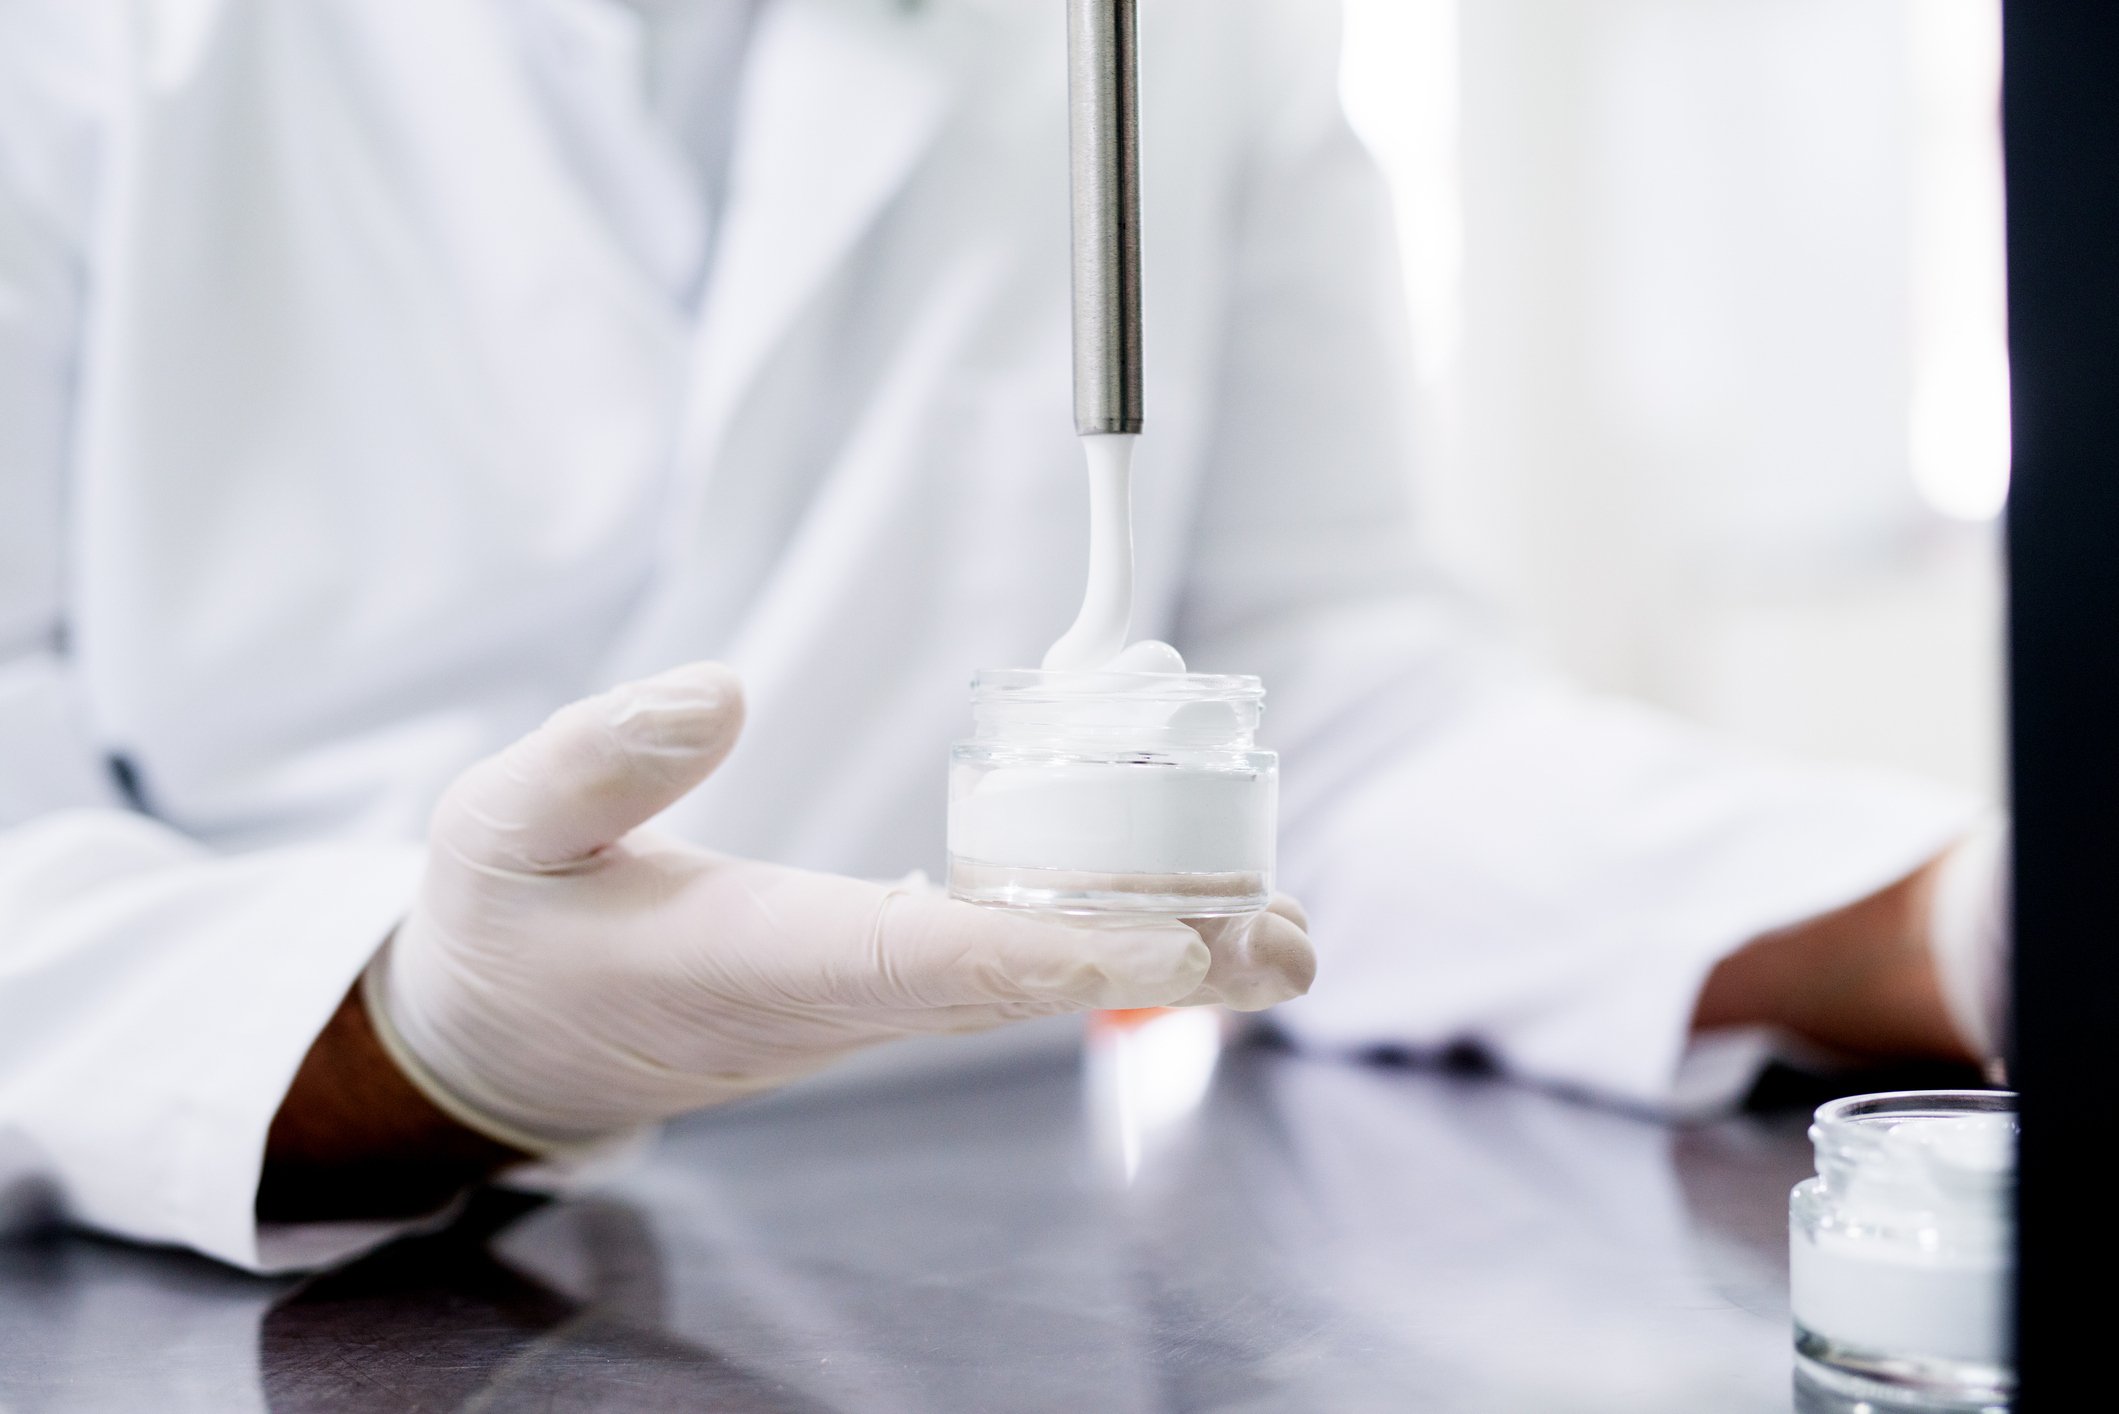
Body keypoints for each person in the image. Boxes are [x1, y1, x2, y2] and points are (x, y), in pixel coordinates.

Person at [0, 0, 2004, 1272]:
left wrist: (1949, 916)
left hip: (986, 1259)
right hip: (251, 1250)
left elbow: (1332, 704)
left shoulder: (1173, 32)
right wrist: (417, 1019)